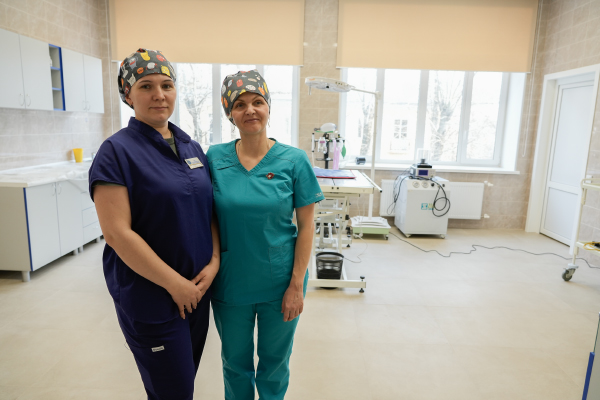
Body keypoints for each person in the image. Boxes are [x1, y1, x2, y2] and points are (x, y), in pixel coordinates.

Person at [89, 48, 219, 400]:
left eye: (166, 85)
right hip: (152, 297)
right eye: (146, 86)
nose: (159, 95)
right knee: (173, 391)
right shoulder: (116, 152)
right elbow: (117, 233)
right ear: (128, 95)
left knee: (180, 385)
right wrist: (175, 285)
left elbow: (208, 211)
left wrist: (214, 262)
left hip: (196, 292)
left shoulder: (191, 147)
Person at [206, 69, 325, 399]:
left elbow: (306, 227)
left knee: (275, 364)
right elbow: (206, 216)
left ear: (269, 107)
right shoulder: (215, 158)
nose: (250, 110)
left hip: (281, 281)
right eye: (240, 104)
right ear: (230, 113)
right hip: (230, 280)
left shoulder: (294, 160)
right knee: (234, 363)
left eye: (257, 102)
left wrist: (296, 285)